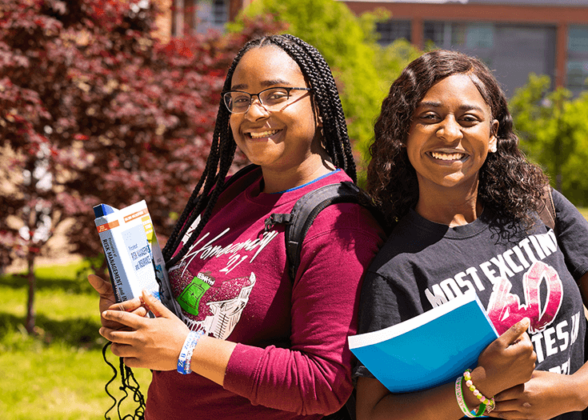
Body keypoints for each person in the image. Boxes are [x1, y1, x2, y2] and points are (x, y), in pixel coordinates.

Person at [88, 34, 384, 420]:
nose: (254, 112)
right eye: (240, 99)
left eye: (276, 94)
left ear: (321, 107)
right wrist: (141, 318)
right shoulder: (232, 192)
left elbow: (323, 383)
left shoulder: (341, 223)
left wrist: (186, 348)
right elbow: (190, 325)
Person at [355, 50, 588, 420]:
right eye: (428, 117)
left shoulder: (539, 206)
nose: (449, 132)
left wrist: (577, 392)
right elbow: (373, 412)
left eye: (468, 118)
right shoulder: (397, 271)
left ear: (492, 135)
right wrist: (478, 386)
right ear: (404, 133)